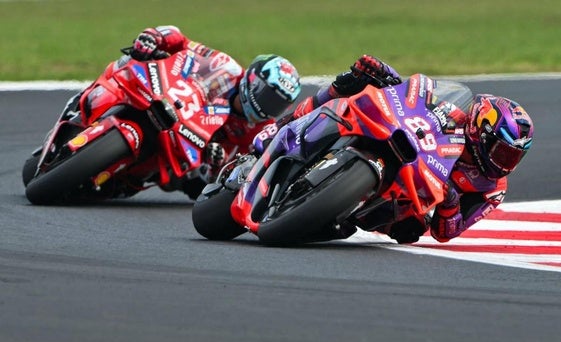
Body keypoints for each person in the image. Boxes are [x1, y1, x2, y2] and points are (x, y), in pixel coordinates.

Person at [268, 54, 534, 244]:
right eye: (501, 151)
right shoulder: (458, 114)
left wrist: (451, 201)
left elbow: (447, 233)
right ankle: (287, 124)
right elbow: (418, 97)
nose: (504, 164)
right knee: (353, 86)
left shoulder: (492, 187)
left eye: (513, 157)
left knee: (411, 229)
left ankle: (335, 213)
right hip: (406, 143)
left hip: (413, 196)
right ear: (479, 130)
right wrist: (390, 80)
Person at [57, 25, 301, 197]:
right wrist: (154, 38)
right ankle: (82, 108)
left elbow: (236, 169)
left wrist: (216, 162)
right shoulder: (223, 66)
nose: (266, 106)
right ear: (253, 77)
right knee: (122, 70)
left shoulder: (255, 132)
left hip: (181, 148)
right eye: (267, 94)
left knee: (180, 183)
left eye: (276, 104)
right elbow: (182, 42)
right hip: (163, 97)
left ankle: (117, 177)